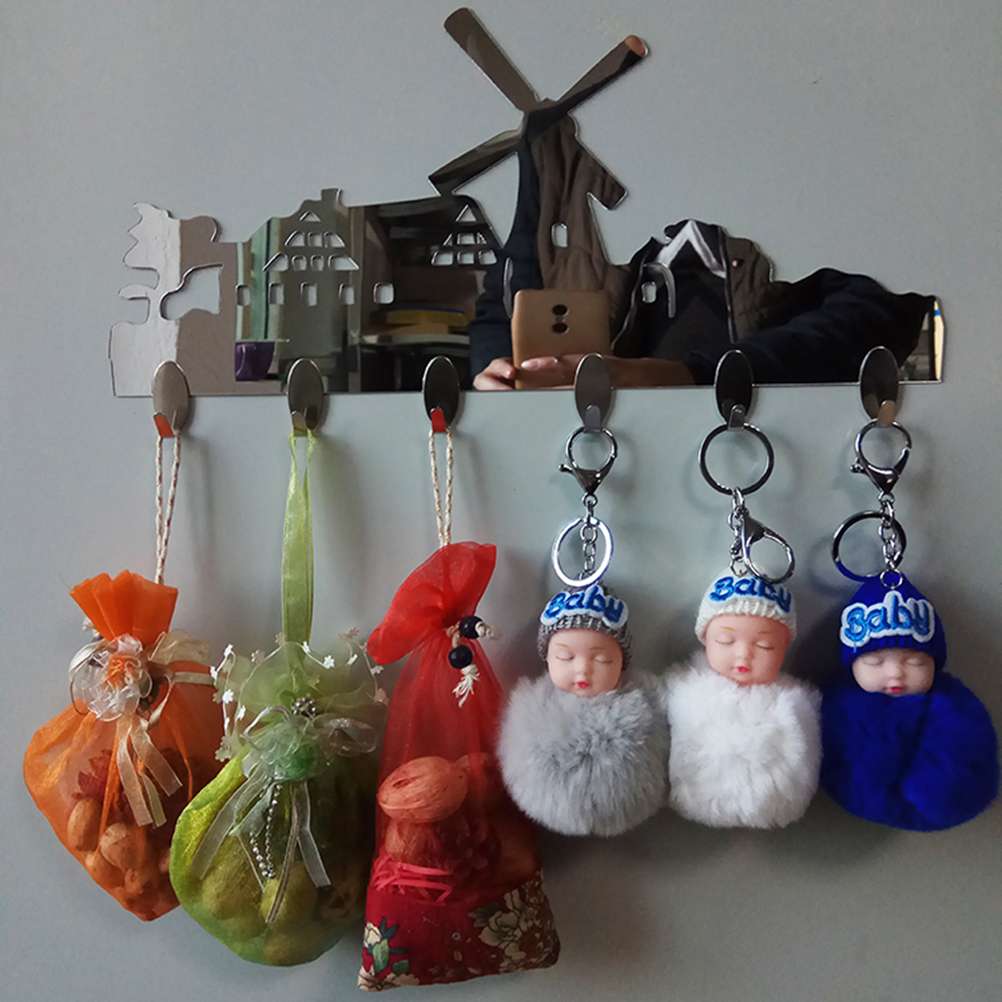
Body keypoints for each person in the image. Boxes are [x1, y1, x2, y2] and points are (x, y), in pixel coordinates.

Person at [820, 575, 999, 831]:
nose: (896, 673)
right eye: (875, 662)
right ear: (851, 667)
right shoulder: (837, 717)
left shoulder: (959, 713)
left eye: (915, 662)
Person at [497, 582, 668, 836]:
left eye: (601, 659)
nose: (582, 670)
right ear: (547, 658)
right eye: (566, 657)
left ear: (621, 662)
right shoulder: (530, 720)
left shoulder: (647, 714)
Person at [660, 569, 821, 828]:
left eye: (765, 645)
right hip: (697, 803)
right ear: (705, 639)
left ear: (784, 649)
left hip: (771, 809)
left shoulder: (792, 704)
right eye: (726, 641)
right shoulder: (683, 693)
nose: (743, 655)